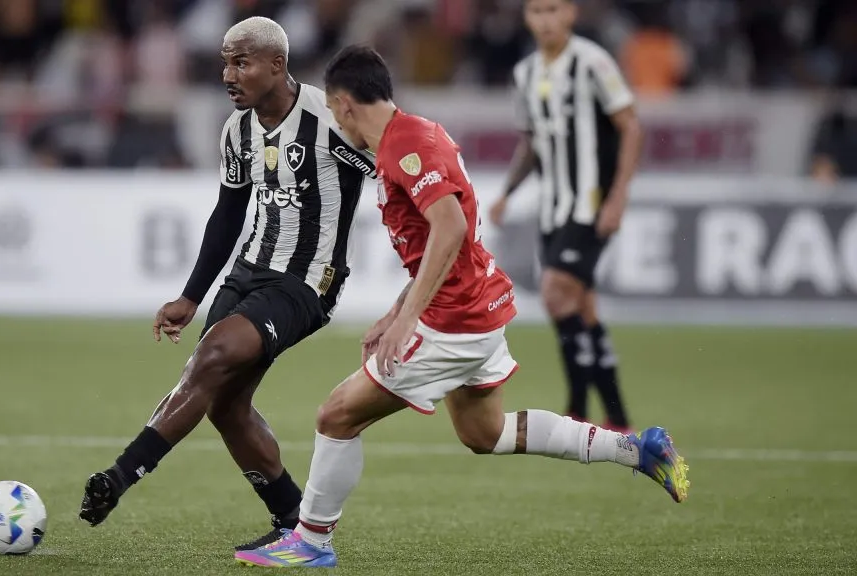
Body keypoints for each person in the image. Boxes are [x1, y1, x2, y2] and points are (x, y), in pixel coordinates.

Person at [234, 45, 688, 569]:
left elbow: (450, 227)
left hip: (452, 319)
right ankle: (639, 450)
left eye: (336, 113)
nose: (339, 125)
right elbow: (440, 241)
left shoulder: (406, 149)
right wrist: (395, 310)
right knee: (484, 434)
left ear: (343, 105)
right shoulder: (418, 134)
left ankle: (310, 541)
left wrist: (408, 319)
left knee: (336, 416)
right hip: (477, 309)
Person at [78, 17, 377, 552]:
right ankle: (294, 522)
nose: (227, 74)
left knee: (213, 359)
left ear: (277, 65)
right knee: (225, 403)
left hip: (306, 281)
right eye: (225, 62)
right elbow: (228, 213)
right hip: (247, 273)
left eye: (240, 62)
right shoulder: (236, 131)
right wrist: (191, 295)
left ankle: (118, 477)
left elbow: (390, 175)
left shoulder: (331, 119)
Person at [488, 0, 643, 432]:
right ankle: (617, 417)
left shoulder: (593, 62)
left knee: (556, 292)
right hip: (553, 209)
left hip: (591, 206)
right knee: (582, 308)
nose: (546, 19)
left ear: (571, 14)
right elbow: (532, 143)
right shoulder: (525, 74)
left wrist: (618, 198)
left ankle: (576, 408)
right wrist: (507, 193)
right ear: (527, 18)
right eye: (537, 11)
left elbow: (631, 126)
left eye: (554, 9)